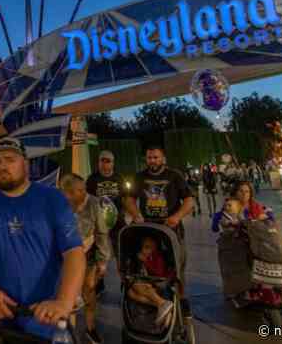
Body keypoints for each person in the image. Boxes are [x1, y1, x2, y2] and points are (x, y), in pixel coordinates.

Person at [0, 137, 85, 341]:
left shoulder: (52, 199)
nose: (3, 165)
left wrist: (63, 302)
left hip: (46, 321)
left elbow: (74, 253)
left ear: (25, 164)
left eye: (10, 159)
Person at [133, 146, 193, 311]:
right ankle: (155, 296)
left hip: (172, 229)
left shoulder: (175, 176)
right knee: (149, 263)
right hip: (149, 229)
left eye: (156, 157)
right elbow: (128, 198)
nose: (152, 161)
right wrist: (136, 213)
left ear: (163, 159)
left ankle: (181, 297)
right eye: (150, 157)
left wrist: (177, 216)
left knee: (178, 265)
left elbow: (189, 200)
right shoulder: (140, 177)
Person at [59, 173, 111, 344]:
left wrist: (103, 261)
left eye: (84, 189)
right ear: (67, 193)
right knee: (65, 296)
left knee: (89, 290)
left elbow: (102, 233)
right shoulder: (58, 205)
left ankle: (90, 328)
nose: (84, 193)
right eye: (79, 190)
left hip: (87, 256)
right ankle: (64, 332)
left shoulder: (94, 203)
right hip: (63, 258)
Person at [85, 150, 127, 295]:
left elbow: (126, 198)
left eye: (108, 161)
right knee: (99, 254)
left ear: (113, 163)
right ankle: (99, 283)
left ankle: (125, 282)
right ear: (98, 162)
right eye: (102, 160)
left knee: (121, 252)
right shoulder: (92, 179)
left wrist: (133, 214)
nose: (105, 163)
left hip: (118, 222)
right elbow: (88, 200)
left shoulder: (119, 178)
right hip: (99, 223)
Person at [127, 236, 175, 328]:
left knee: (136, 285)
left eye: (149, 248)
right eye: (144, 248)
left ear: (155, 248)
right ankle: (161, 304)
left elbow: (159, 273)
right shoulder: (142, 257)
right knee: (130, 292)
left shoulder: (157, 257)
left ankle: (163, 303)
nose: (145, 251)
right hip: (150, 282)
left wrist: (146, 262)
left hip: (161, 282)